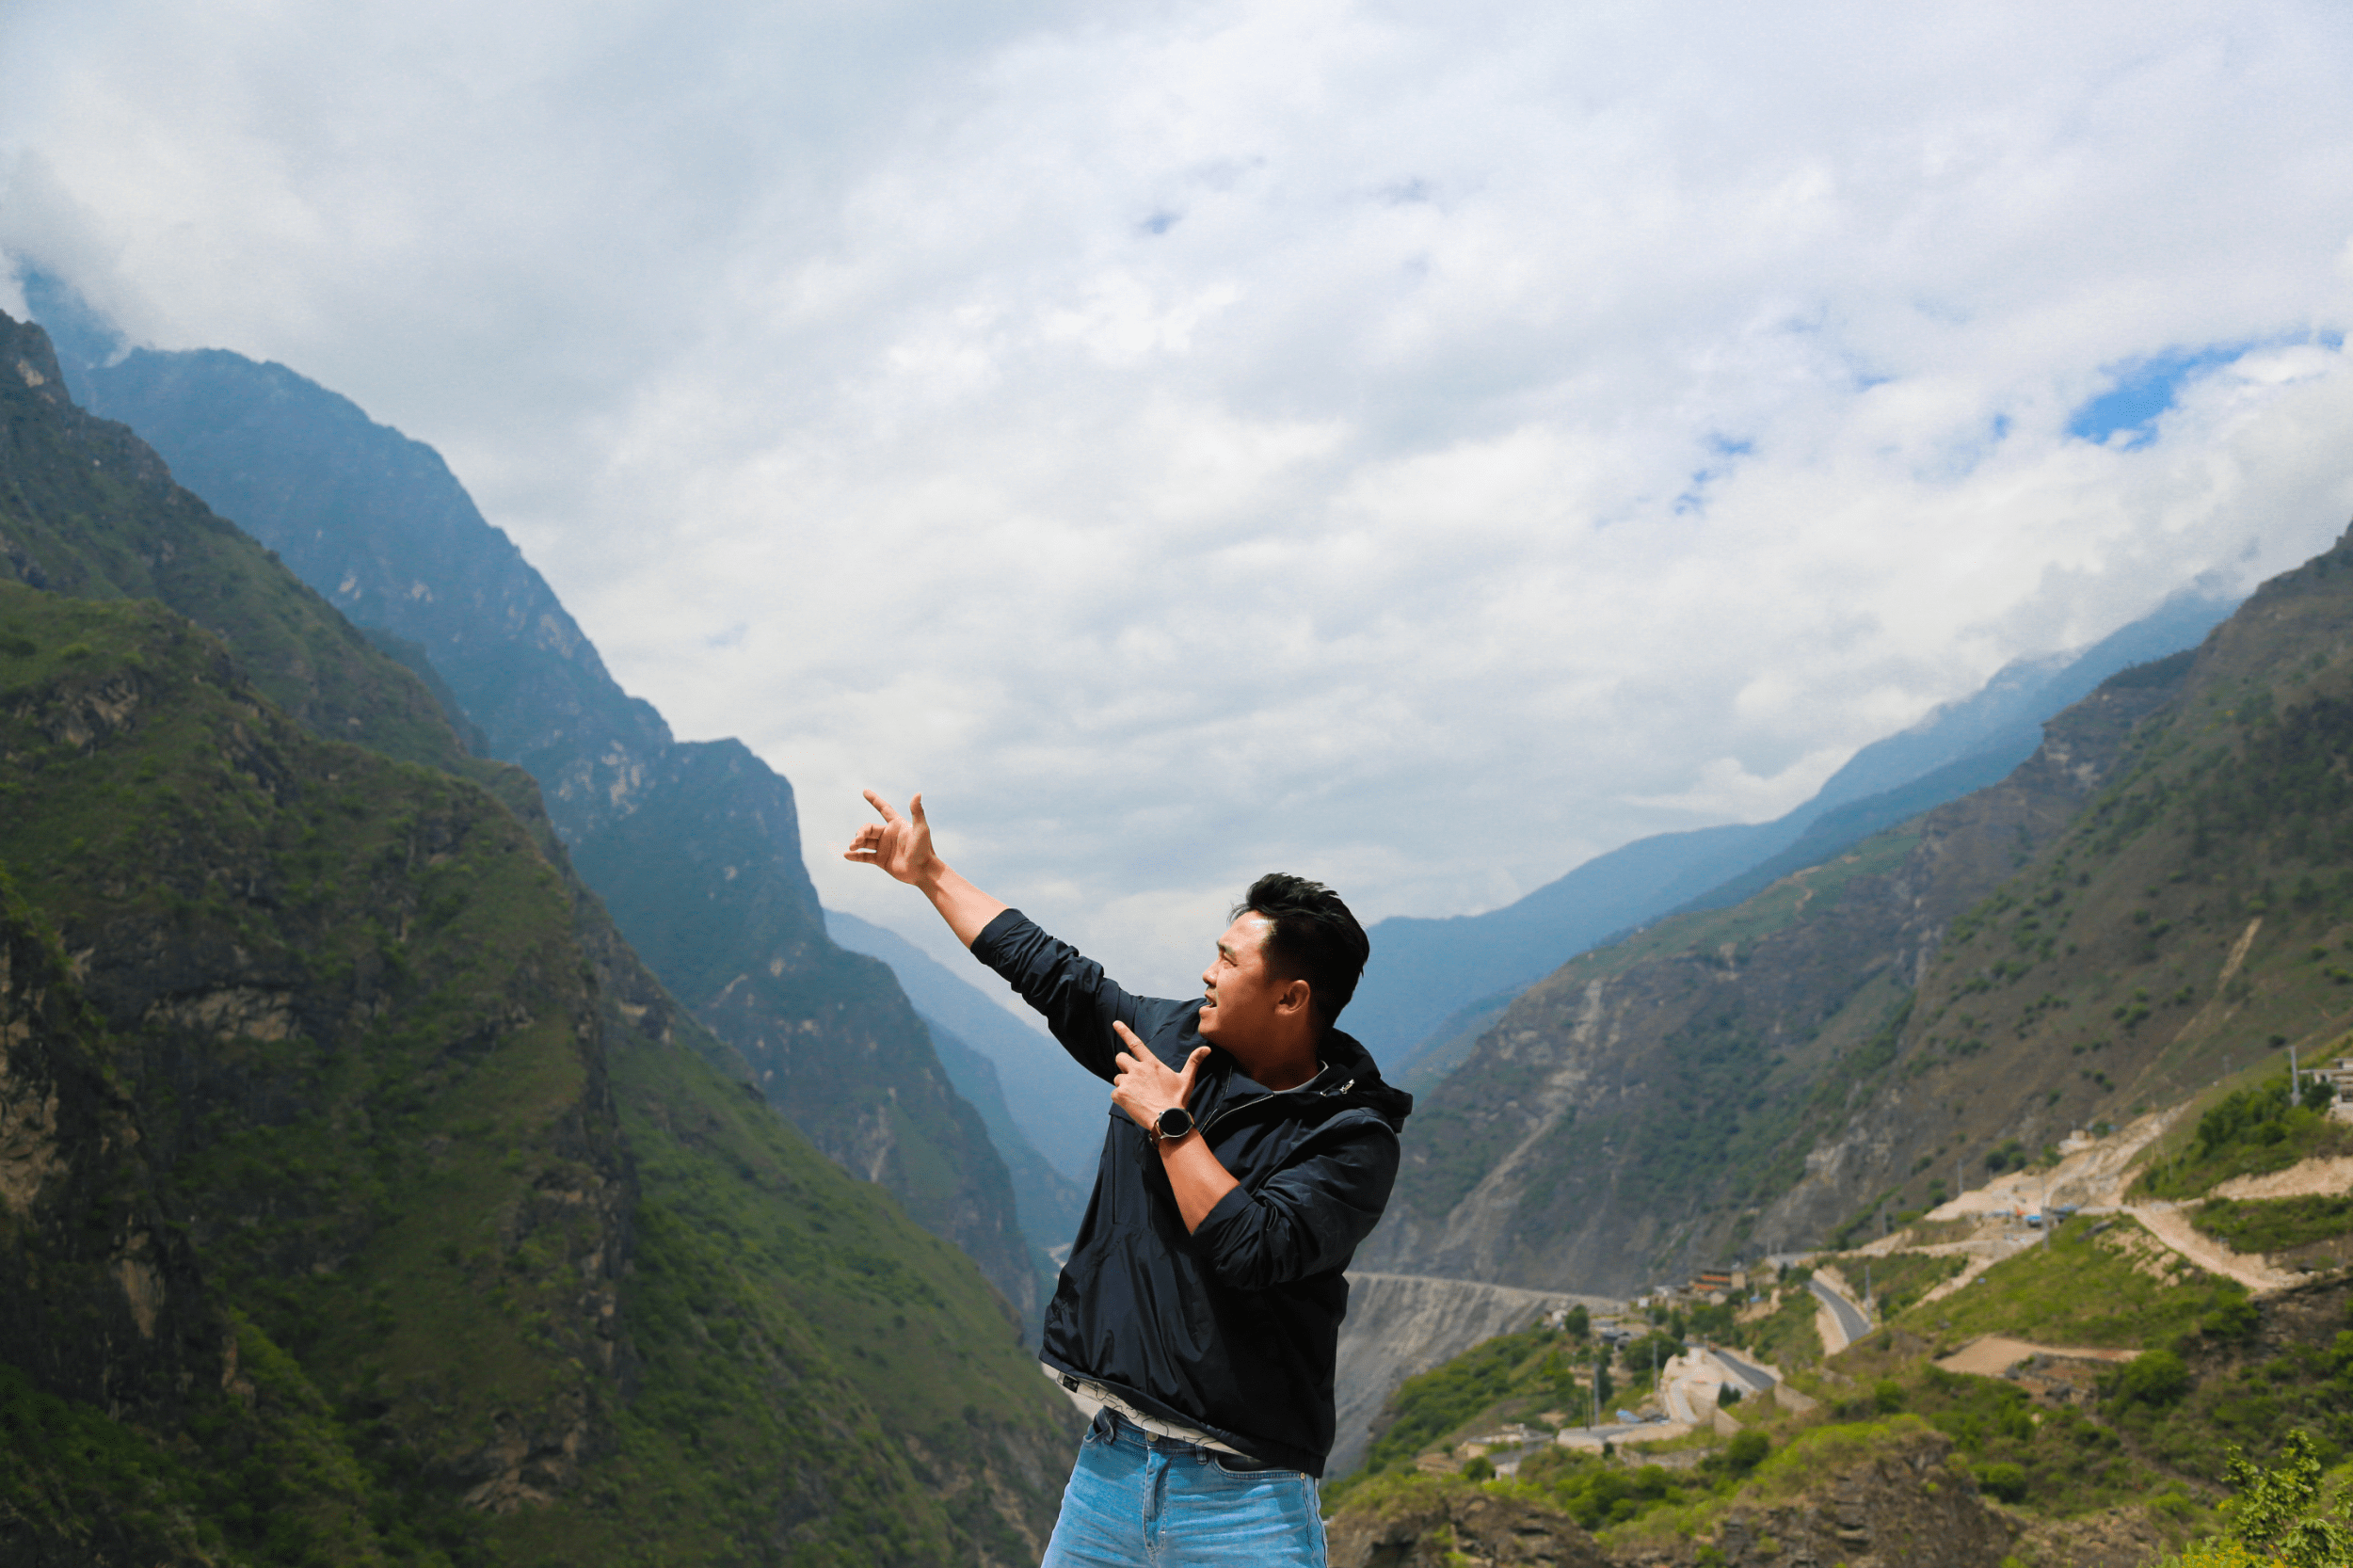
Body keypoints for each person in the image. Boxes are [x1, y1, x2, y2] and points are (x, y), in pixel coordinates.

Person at [844, 791, 1413, 1567]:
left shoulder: (1350, 1137)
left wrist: (1169, 1125)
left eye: (1228, 961)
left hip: (1244, 1501)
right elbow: (1055, 976)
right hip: (1108, 1472)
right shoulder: (1172, 1041)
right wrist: (930, 873)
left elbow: (1253, 1247)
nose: (1206, 974)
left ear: (1291, 997)